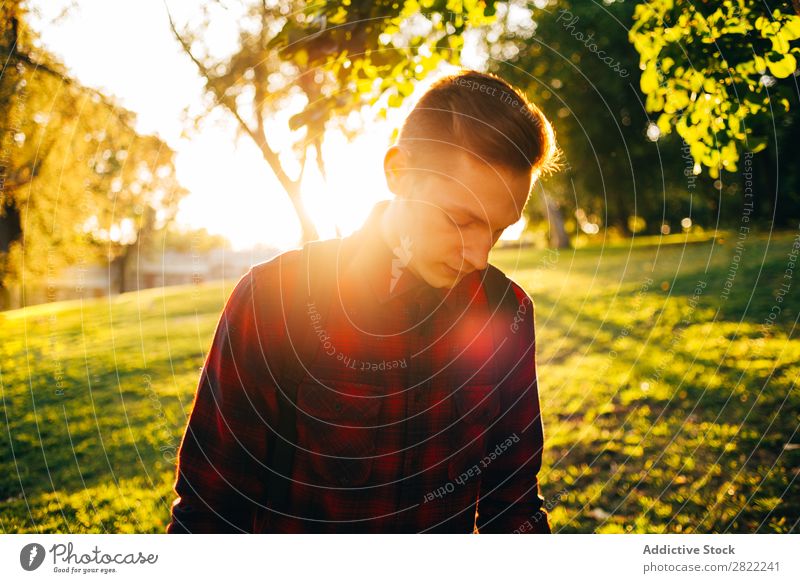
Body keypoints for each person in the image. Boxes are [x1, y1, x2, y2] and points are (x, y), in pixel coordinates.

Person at [166, 70, 559, 533]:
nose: (479, 256)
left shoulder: (506, 313)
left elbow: (512, 506)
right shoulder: (274, 299)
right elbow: (209, 510)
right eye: (461, 220)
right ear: (399, 172)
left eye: (498, 229)